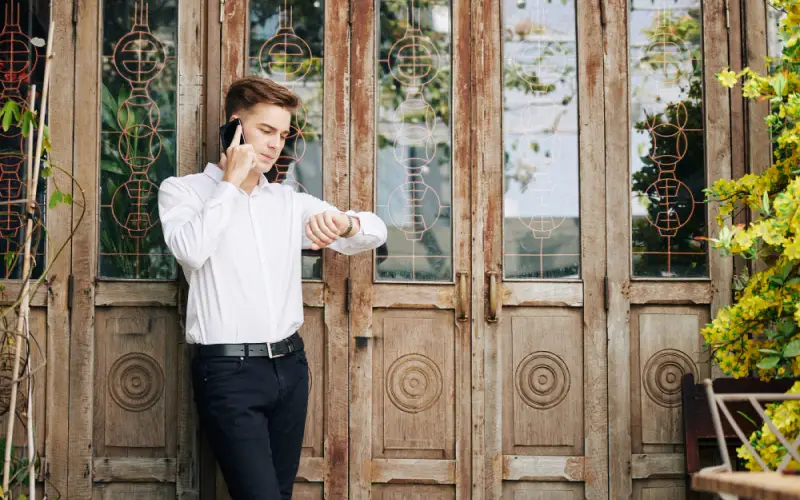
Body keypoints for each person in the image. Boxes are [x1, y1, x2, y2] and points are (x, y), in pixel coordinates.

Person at [157, 76, 387, 499]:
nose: (275, 144)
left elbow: (374, 231)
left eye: (283, 135)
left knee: (279, 493)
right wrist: (231, 181)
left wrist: (346, 223)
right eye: (265, 131)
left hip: (289, 369)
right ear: (235, 127)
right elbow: (191, 250)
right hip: (228, 373)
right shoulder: (183, 191)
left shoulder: (286, 202)